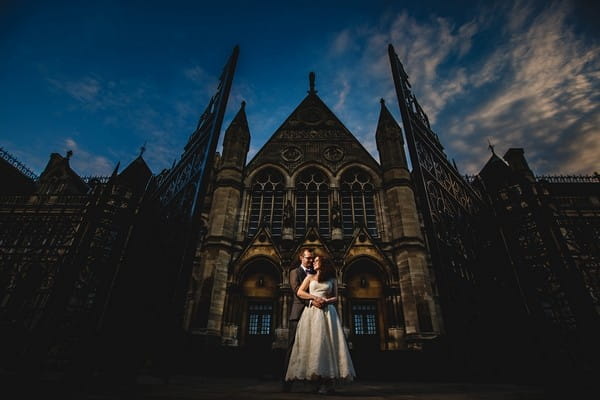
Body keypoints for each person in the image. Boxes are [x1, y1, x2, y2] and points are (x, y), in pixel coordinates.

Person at [285, 255, 356, 394]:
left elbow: (335, 296)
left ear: (324, 264)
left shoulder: (332, 280)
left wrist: (325, 301)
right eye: (314, 260)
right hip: (312, 313)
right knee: (314, 344)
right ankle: (314, 381)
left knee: (328, 344)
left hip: (328, 313)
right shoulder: (310, 277)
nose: (314, 262)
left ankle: (328, 382)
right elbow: (300, 292)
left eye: (317, 260)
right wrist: (314, 298)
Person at [282, 248, 324, 392]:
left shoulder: (315, 272)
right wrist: (313, 301)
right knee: (293, 346)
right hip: (299, 313)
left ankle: (313, 382)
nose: (311, 261)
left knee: (313, 347)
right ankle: (287, 382)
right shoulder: (294, 272)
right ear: (301, 258)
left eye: (312, 258)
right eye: (308, 258)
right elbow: (297, 291)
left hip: (314, 315)